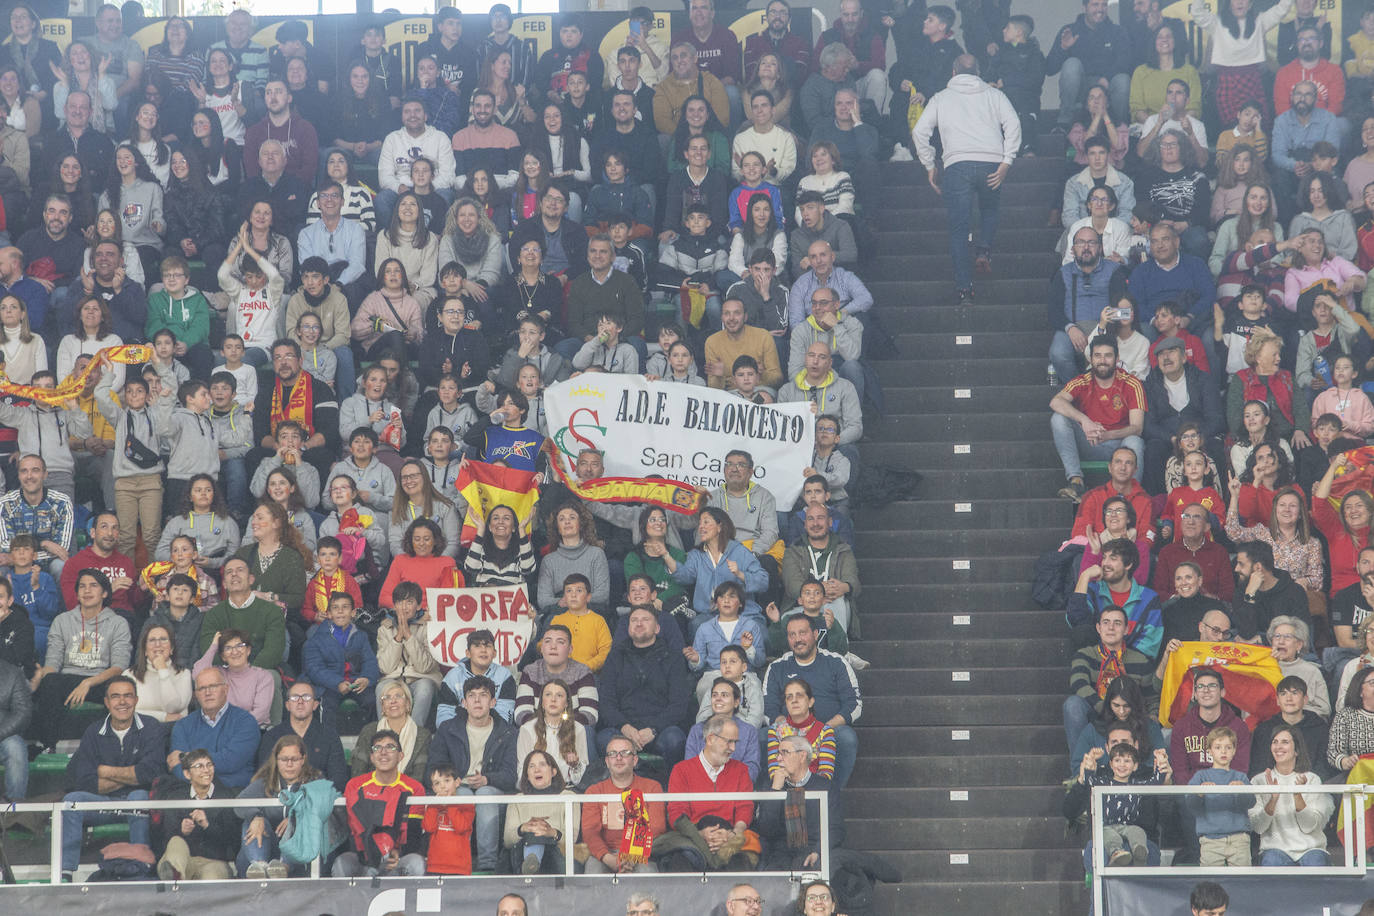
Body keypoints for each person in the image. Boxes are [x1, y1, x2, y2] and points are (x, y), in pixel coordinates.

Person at [912, 54, 1019, 303]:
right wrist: (1007, 161)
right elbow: (1014, 125)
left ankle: (964, 289)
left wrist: (929, 164)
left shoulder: (940, 98)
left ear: (953, 72)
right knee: (990, 208)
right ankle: (983, 249)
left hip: (956, 166)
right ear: (978, 72)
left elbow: (919, 132)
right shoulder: (995, 95)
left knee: (959, 230)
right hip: (991, 163)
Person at [58, 675, 164, 881]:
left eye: (127, 696)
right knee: (71, 801)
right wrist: (131, 775)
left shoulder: (151, 727)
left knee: (139, 796)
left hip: (137, 800)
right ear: (106, 702)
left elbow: (149, 774)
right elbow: (86, 780)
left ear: (136, 700)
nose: (122, 702)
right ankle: (66, 872)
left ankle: (141, 866)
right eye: (115, 697)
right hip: (103, 802)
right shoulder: (94, 731)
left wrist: (105, 771)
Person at [28, 567, 129, 751]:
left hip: (100, 680)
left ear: (105, 592)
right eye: (82, 586)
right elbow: (52, 663)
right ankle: (46, 745)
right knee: (49, 681)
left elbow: (118, 667)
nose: (87, 591)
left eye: (93, 586)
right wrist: (41, 677)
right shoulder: (62, 621)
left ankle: (113, 748)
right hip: (68, 680)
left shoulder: (117, 623)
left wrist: (88, 682)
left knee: (120, 685)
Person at [428, 674, 519, 874]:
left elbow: (511, 774)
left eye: (483, 695)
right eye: (472, 695)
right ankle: (460, 861)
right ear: (464, 702)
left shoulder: (508, 732)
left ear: (493, 702)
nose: (477, 700)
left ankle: (487, 864)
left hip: (493, 790)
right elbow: (435, 766)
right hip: (457, 787)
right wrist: (453, 781)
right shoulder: (447, 729)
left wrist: (487, 779)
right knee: (462, 795)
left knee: (485, 793)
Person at [763, 615, 861, 788]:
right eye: (792, 635)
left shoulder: (836, 662)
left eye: (802, 633)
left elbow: (853, 705)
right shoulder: (778, 667)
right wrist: (788, 731)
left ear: (815, 634)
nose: (797, 639)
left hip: (829, 729)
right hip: (788, 731)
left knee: (846, 737)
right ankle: (774, 796)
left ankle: (832, 794)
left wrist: (824, 730)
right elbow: (768, 708)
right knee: (762, 736)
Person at [1051, 336, 1147, 501]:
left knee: (1135, 441)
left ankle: (1129, 496)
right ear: (1091, 359)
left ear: (1117, 359)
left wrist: (1107, 435)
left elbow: (1137, 427)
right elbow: (1055, 401)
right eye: (1097, 355)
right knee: (1058, 418)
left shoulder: (1131, 383)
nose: (1102, 360)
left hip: (1117, 444)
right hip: (1089, 442)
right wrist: (1084, 421)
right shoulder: (1082, 381)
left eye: (1108, 355)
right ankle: (1076, 481)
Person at [657, 714, 757, 872]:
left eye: (735, 742)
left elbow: (745, 807)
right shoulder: (681, 770)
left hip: (730, 835)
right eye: (729, 741)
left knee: (741, 864)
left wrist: (733, 833)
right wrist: (700, 835)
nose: (733, 748)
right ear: (710, 739)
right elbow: (676, 812)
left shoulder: (741, 770)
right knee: (679, 863)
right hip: (693, 835)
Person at [597, 605, 691, 767]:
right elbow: (606, 701)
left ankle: (669, 789)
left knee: (675, 740)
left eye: (645, 620)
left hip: (660, 730)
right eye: (634, 620)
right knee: (604, 740)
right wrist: (625, 728)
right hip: (623, 729)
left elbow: (679, 704)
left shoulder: (673, 657)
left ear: (657, 628)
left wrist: (653, 729)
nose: (639, 623)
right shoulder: (616, 656)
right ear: (628, 628)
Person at [1064, 606, 1156, 752]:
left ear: (1126, 629)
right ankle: (1079, 770)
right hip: (1097, 713)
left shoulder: (1141, 660)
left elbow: (1152, 697)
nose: (1111, 628)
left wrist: (1153, 715)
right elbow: (1078, 683)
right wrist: (1105, 708)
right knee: (1073, 704)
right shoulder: (1084, 654)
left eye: (1117, 623)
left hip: (1128, 716)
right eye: (1106, 623)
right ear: (1098, 628)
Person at [582, 735, 667, 874]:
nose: (619, 758)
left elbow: (657, 828)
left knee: (647, 872)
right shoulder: (594, 791)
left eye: (625, 753)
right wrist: (608, 858)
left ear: (635, 760)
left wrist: (632, 856)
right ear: (607, 761)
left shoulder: (652, 787)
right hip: (605, 853)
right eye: (613, 754)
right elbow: (590, 833)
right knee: (593, 870)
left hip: (642, 853)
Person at [1250, 725, 1335, 865]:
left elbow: (1309, 826)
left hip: (1311, 849)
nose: (1278, 747)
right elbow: (1258, 827)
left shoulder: (1312, 779)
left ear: (1296, 750)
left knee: (1315, 861)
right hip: (1274, 850)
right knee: (1272, 861)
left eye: (1285, 742)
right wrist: (1273, 800)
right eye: (1275, 742)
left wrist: (1297, 796)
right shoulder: (1259, 780)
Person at [150, 747, 238, 881]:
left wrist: (207, 825)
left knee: (210, 877)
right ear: (187, 774)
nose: (206, 770)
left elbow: (233, 840)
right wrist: (182, 832)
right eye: (199, 766)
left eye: (209, 765)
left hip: (214, 862)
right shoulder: (176, 798)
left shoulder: (226, 797)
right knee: (175, 841)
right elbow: (165, 838)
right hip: (185, 862)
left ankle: (176, 884)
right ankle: (175, 877)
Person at [1046, 0, 1134, 129]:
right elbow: (1049, 69)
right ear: (1085, 7)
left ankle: (1121, 127)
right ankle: (1064, 123)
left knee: (1123, 80)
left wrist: (1107, 78)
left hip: (1107, 85)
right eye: (1095, 4)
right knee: (1072, 64)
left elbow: (1125, 61)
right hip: (1081, 88)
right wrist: (1063, 49)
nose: (1100, 9)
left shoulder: (1118, 32)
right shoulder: (1070, 30)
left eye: (1104, 5)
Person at [168, 667, 260, 788]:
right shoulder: (183, 726)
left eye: (213, 686)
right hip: (192, 794)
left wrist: (186, 757)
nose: (208, 693)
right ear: (196, 695)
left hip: (234, 794)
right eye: (202, 688)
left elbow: (231, 761)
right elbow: (176, 766)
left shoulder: (245, 721)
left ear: (226, 689)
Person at [257, 680, 348, 791]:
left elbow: (338, 778)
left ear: (315, 705)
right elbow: (264, 775)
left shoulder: (329, 736)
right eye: (295, 697)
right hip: (281, 801)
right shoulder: (272, 736)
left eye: (306, 697)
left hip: (318, 801)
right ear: (287, 705)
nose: (300, 701)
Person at [243, 79, 318, 188]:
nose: (272, 97)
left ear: (289, 98)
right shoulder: (254, 132)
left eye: (278, 91)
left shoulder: (305, 128)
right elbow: (252, 171)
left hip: (296, 190)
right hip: (264, 191)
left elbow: (309, 169)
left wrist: (284, 190)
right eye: (268, 93)